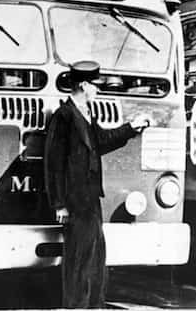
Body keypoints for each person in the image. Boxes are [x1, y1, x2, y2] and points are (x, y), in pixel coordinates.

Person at [44, 60, 151, 308]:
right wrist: (59, 203)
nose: (98, 90)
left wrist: (130, 128)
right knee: (79, 261)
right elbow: (54, 163)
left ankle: (94, 306)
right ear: (83, 84)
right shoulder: (65, 116)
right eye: (95, 85)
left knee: (96, 259)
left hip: (90, 199)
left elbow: (101, 141)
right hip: (74, 200)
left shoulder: (85, 114)